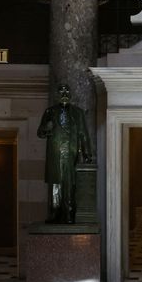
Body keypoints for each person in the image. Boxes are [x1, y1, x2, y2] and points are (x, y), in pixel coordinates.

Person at [37, 84, 92, 224]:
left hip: (70, 153)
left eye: (67, 90)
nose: (64, 93)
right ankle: (54, 214)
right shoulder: (50, 112)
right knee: (55, 185)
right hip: (55, 154)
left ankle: (69, 214)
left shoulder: (77, 113)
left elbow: (83, 134)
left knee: (69, 184)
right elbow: (40, 133)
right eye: (61, 90)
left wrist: (87, 153)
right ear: (57, 94)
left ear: (71, 93)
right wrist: (46, 128)